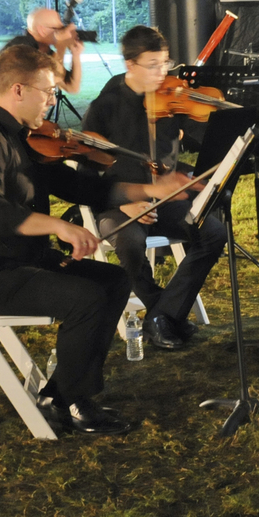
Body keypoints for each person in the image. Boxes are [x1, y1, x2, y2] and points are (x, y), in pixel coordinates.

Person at [0, 43, 195, 435]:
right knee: (87, 297)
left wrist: (151, 189)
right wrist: (58, 226)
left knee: (113, 280)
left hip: (25, 261)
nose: (50, 102)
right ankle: (72, 401)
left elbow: (86, 189)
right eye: (47, 93)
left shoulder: (23, 140)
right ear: (18, 91)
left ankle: (63, 394)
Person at [82, 25, 226, 350]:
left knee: (214, 233)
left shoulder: (170, 99)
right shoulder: (104, 108)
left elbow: (203, 136)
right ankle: (163, 311)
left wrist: (213, 111)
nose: (162, 73)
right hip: (119, 203)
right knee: (129, 242)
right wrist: (124, 204)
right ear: (130, 65)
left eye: (165, 63)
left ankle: (161, 316)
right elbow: (87, 176)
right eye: (153, 65)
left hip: (167, 198)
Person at [4, 7, 84, 94]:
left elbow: (72, 87)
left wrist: (75, 54)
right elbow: (46, 79)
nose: (62, 32)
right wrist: (61, 48)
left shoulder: (45, 50)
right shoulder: (21, 48)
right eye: (58, 29)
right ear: (42, 30)